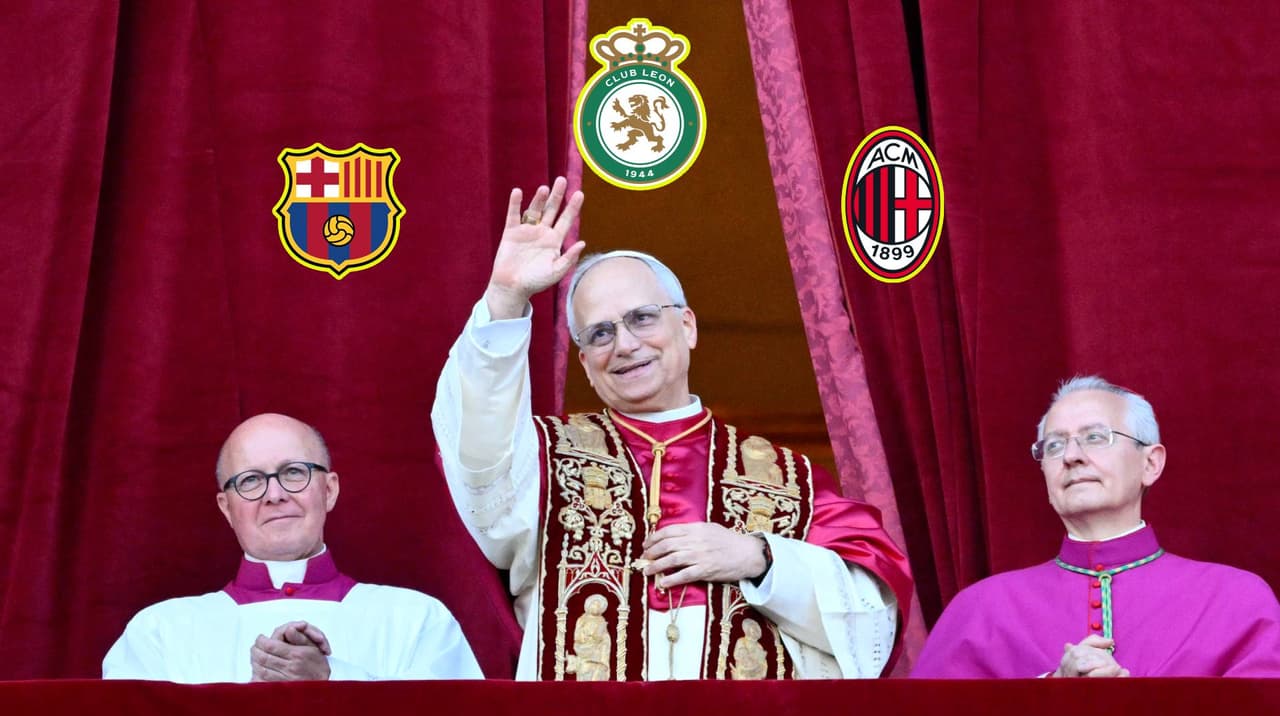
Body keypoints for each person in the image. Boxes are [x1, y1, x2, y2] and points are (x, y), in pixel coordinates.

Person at [432, 177, 913, 680]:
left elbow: (873, 614)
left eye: (642, 318)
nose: (624, 344)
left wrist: (761, 557)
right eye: (600, 333)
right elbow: (478, 449)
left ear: (687, 326)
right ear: (585, 364)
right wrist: (505, 298)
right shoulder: (540, 460)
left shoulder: (788, 478)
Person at [913, 376, 1280, 678]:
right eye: (1054, 446)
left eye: (1095, 437)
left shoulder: (1236, 600)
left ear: (1150, 463)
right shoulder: (980, 610)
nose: (1071, 456)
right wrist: (1046, 695)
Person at [103, 413, 483, 682]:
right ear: (226, 508)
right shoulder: (159, 633)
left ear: (329, 490)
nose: (275, 494)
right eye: (250, 480)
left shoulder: (417, 620)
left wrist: (333, 680)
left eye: (293, 472)